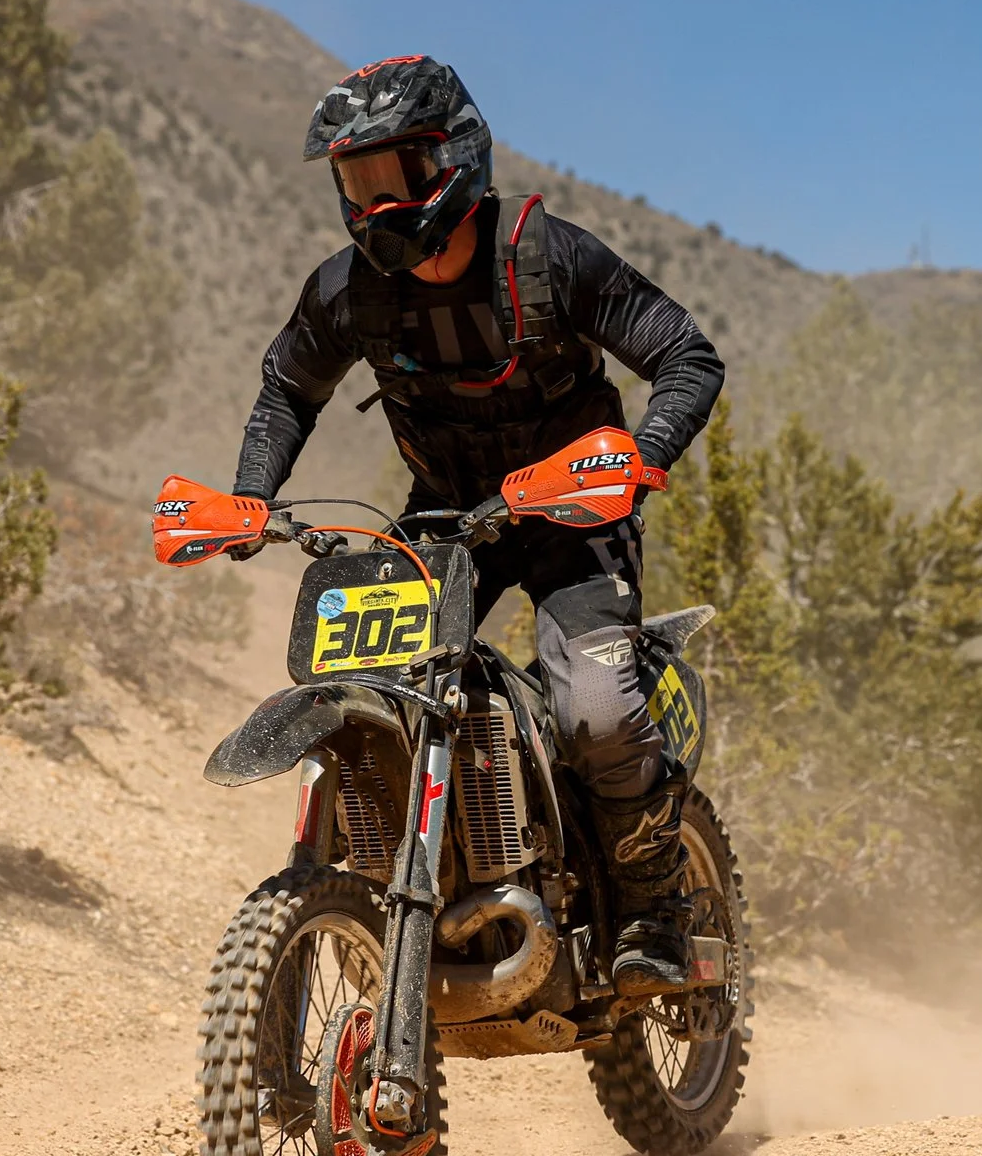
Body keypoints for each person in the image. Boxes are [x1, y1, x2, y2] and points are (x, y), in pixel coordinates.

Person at [233, 55, 724, 996]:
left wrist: (641, 456)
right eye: (356, 182)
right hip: (449, 523)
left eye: (395, 176)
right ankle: (398, 893)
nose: (376, 204)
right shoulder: (349, 290)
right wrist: (253, 494)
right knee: (369, 696)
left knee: (595, 710)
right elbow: (288, 389)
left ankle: (655, 908)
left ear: (453, 160)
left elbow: (687, 357)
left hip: (575, 515)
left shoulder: (547, 257)